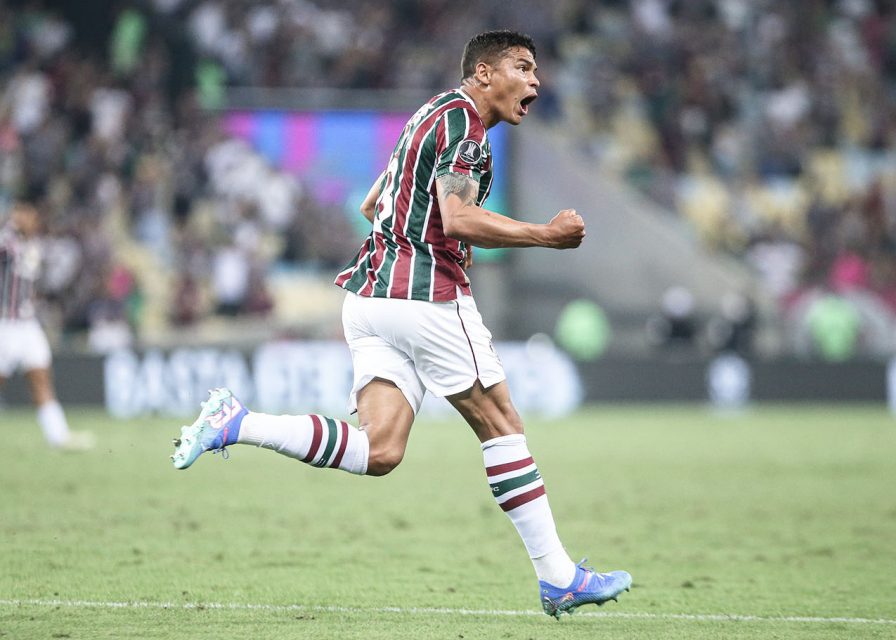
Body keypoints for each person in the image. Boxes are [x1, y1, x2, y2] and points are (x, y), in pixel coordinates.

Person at [171, 30, 631, 618]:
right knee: (501, 422)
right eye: (523, 67)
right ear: (484, 73)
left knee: (380, 449)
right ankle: (559, 577)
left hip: (368, 300)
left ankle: (238, 422)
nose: (536, 81)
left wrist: (419, 227)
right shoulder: (464, 127)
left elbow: (373, 205)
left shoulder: (427, 116)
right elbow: (458, 218)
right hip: (425, 297)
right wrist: (544, 234)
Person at [0, 199, 94, 451]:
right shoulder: (7, 242)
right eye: (20, 212)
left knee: (41, 376)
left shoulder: (33, 244)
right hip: (5, 323)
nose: (25, 218)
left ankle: (58, 435)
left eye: (28, 213)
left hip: (27, 323)